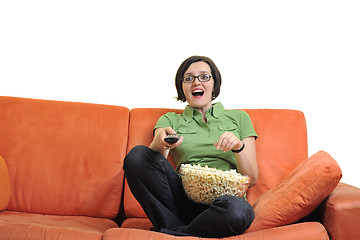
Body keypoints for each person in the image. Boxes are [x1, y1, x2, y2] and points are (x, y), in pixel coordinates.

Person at [123, 55, 258, 238]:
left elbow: (253, 179)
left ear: (214, 83)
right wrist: (162, 141)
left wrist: (238, 147)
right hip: (183, 200)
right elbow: (153, 164)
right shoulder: (171, 119)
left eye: (204, 76)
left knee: (239, 210)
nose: (196, 82)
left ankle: (177, 232)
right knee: (137, 155)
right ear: (182, 87)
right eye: (189, 78)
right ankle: (186, 230)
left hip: (223, 204)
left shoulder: (239, 118)